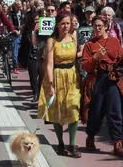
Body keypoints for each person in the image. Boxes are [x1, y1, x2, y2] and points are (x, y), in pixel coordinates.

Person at [81, 15, 123, 157]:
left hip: (112, 79)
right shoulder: (89, 45)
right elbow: (85, 66)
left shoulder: (114, 42)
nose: (97, 29)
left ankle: (117, 142)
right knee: (96, 111)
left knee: (115, 111)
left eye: (100, 26)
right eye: (95, 26)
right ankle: (90, 137)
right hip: (97, 79)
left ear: (105, 27)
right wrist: (95, 58)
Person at [37, 14, 81, 158]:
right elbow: (49, 64)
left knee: (74, 108)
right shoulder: (52, 41)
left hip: (72, 76)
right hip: (57, 76)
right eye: (62, 23)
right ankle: (61, 143)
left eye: (68, 23)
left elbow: (76, 58)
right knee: (58, 111)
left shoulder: (74, 38)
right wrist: (50, 84)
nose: (65, 26)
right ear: (57, 25)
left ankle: (72, 144)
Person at [9, 0, 24, 74]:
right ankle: (15, 67)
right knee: (15, 52)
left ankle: (22, 65)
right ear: (14, 6)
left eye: (20, 6)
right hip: (15, 35)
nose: (19, 7)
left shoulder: (23, 13)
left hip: (23, 34)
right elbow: (10, 24)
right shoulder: (11, 14)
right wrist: (16, 29)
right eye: (18, 6)